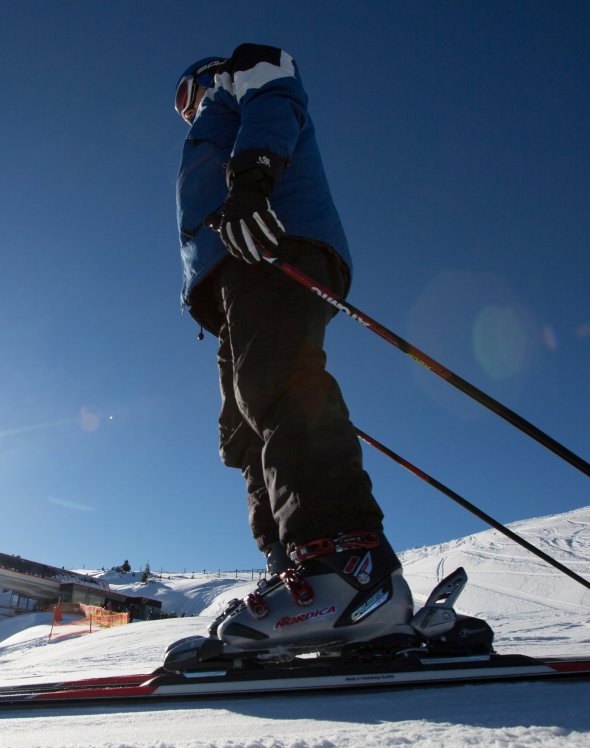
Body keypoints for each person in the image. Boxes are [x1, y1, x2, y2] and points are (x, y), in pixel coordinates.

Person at [174, 44, 415, 657]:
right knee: (243, 430)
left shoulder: (245, 72)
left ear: (204, 78)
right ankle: (297, 573)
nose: (188, 112)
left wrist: (252, 179)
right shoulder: (213, 118)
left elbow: (277, 102)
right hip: (232, 269)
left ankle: (348, 567)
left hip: (273, 237)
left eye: (187, 97)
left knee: (279, 386)